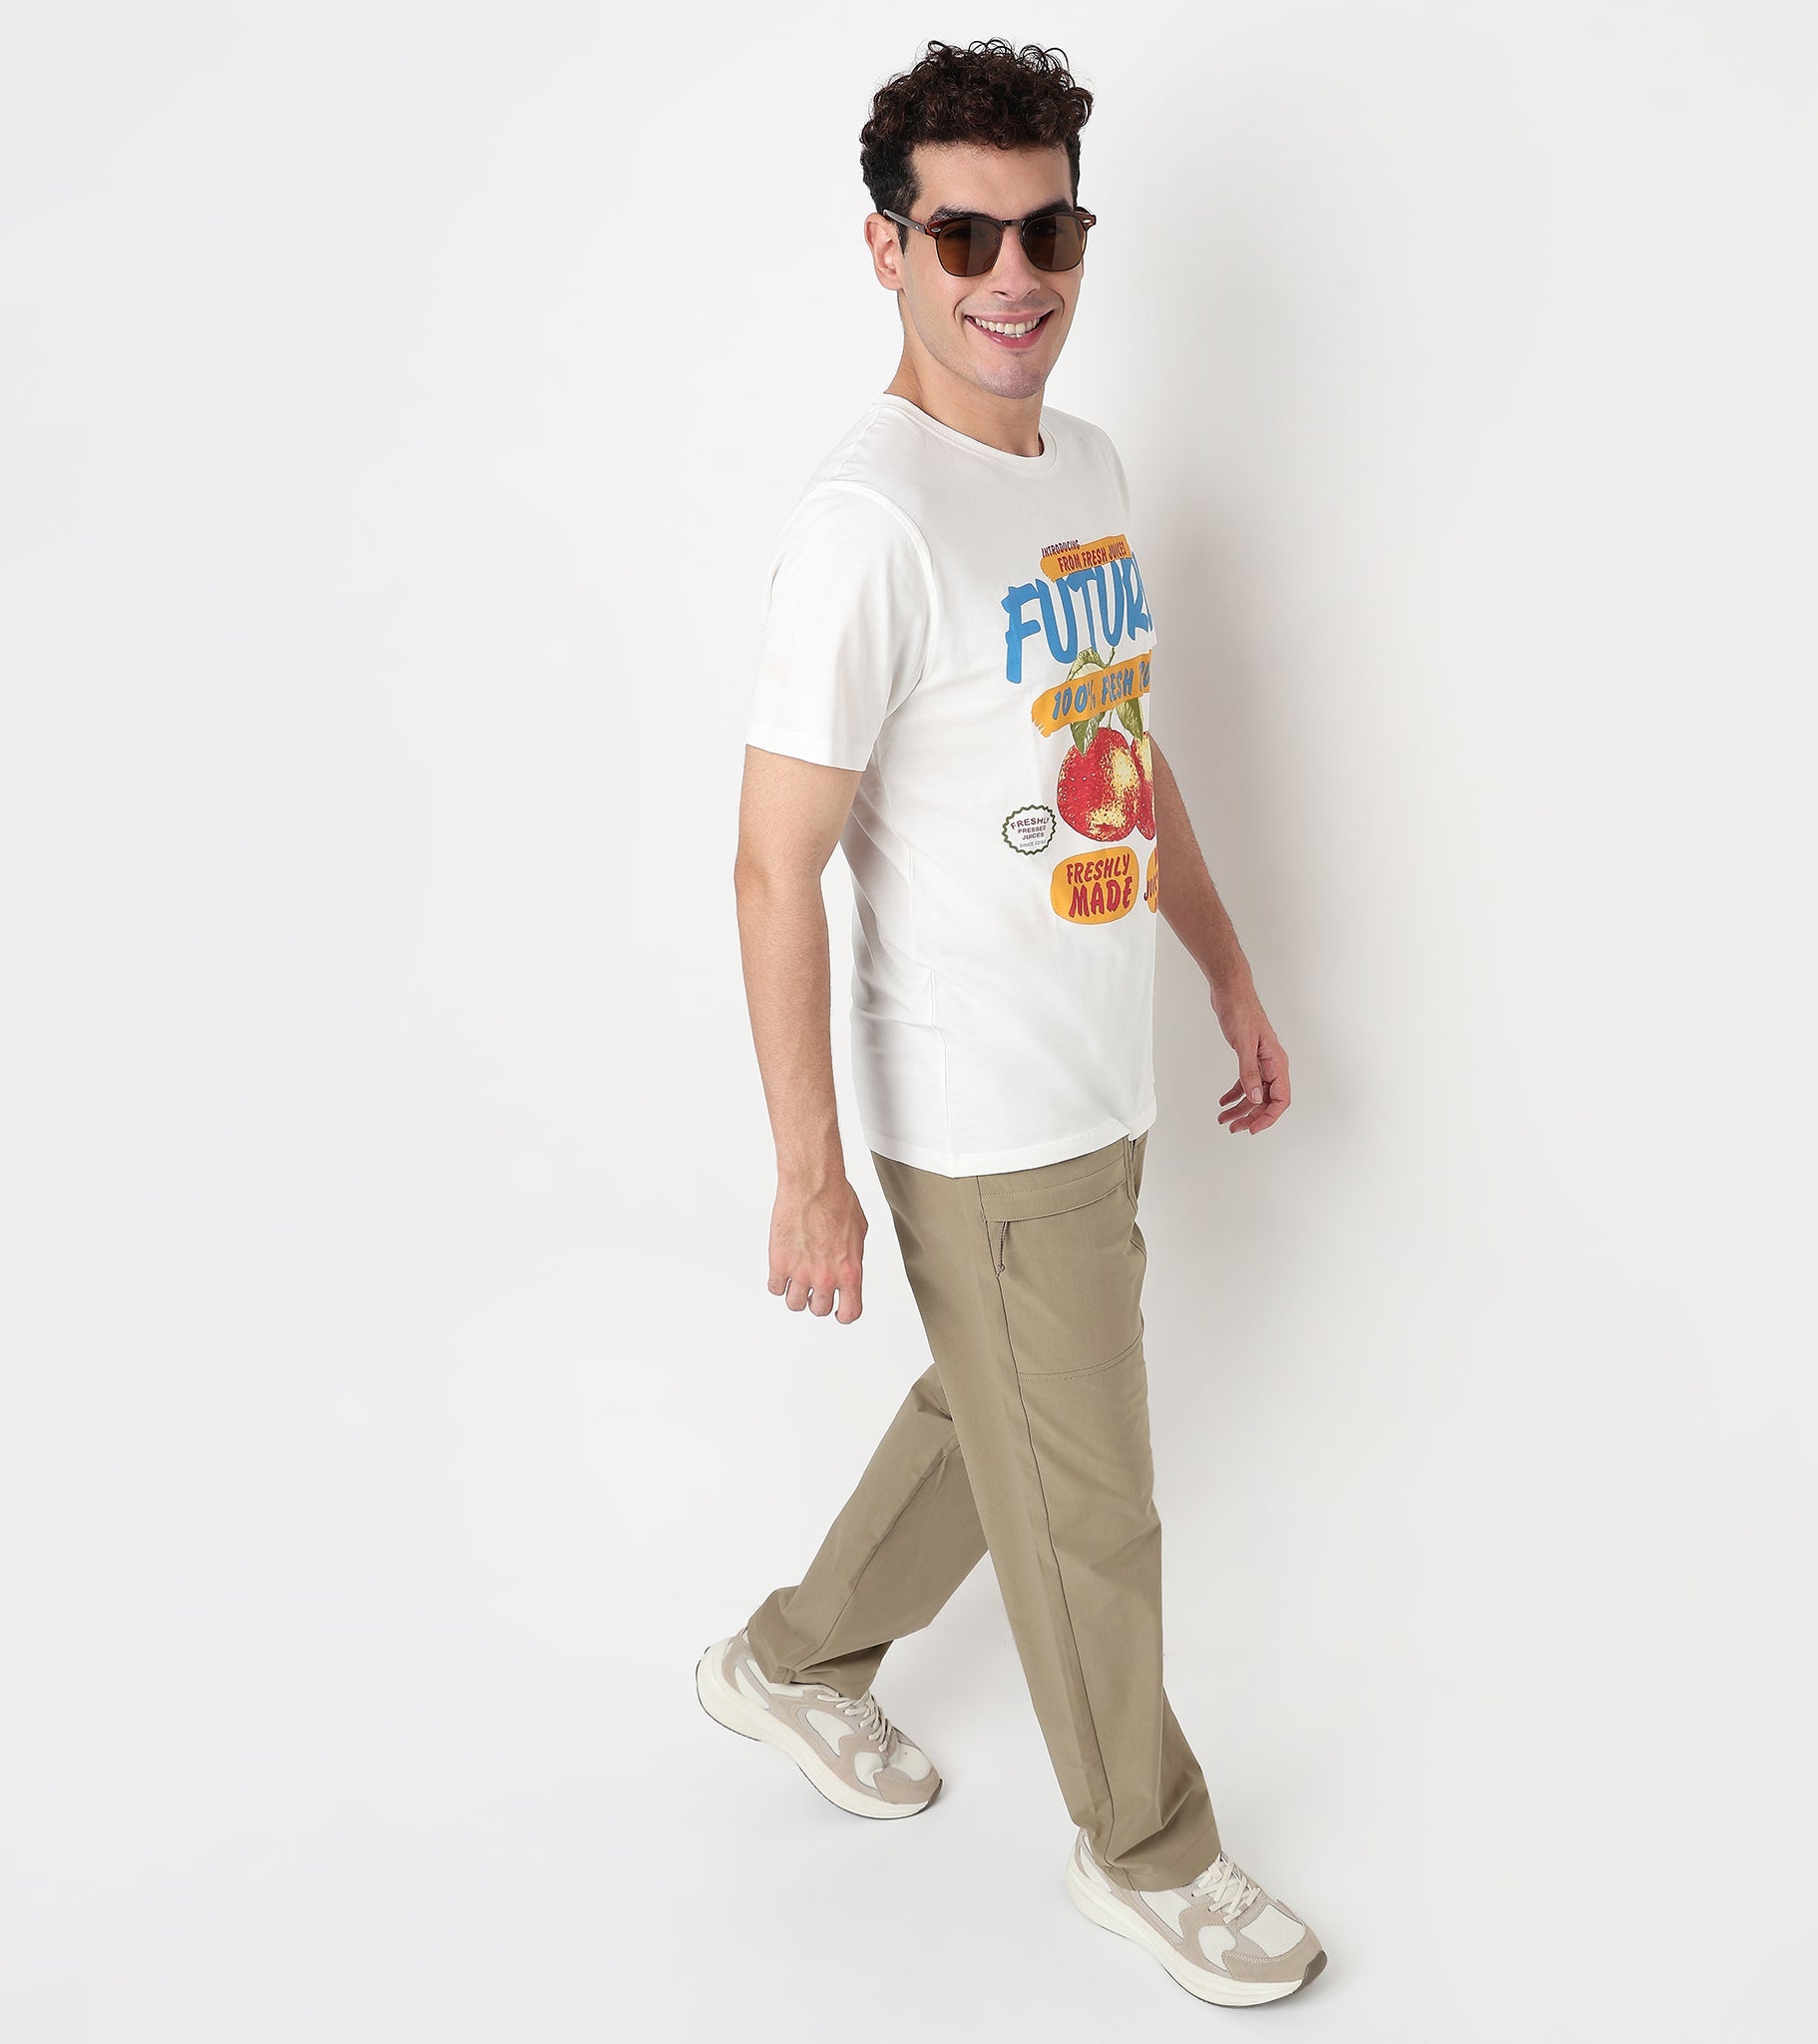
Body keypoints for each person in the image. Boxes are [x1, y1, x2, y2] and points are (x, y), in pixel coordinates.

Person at [699, 39, 1325, 2008]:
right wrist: (808, 1168)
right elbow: (772, 864)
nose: (1011, 274)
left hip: (1093, 1062)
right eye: (962, 235)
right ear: (885, 247)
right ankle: (1149, 1847)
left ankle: (793, 1657)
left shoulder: (1086, 468)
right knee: (1093, 1495)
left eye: (1045, 229)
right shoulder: (868, 522)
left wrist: (1223, 964)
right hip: (978, 1102)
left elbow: (1118, 748)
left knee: (998, 1417)